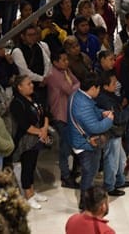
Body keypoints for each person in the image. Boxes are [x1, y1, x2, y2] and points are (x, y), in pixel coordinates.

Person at [67, 73, 114, 210]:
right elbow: (95, 127)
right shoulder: (83, 104)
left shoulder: (78, 95)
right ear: (93, 88)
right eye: (98, 89)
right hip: (85, 144)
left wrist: (101, 113)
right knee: (89, 174)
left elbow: (91, 112)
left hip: (78, 139)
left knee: (88, 173)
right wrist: (109, 119)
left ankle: (87, 199)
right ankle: (85, 203)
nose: (99, 92)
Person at [10, 75, 50, 210]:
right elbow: (24, 125)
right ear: (19, 87)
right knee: (27, 166)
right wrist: (40, 132)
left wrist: (44, 129)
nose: (31, 85)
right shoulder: (17, 103)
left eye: (31, 83)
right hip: (25, 140)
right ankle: (28, 195)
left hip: (37, 137)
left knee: (32, 165)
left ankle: (32, 191)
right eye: (28, 84)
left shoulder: (35, 97)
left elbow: (45, 114)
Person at [96, 72, 129, 196]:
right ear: (105, 86)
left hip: (116, 133)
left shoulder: (110, 96)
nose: (116, 85)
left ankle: (119, 181)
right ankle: (109, 186)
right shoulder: (104, 100)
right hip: (111, 134)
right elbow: (118, 118)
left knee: (121, 159)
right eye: (113, 83)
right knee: (112, 161)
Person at [46, 49, 80, 189]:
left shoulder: (65, 71)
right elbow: (70, 90)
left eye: (67, 59)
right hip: (60, 114)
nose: (67, 62)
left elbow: (77, 82)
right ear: (55, 62)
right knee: (65, 148)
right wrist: (76, 86)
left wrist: (75, 85)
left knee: (71, 145)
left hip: (69, 113)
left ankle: (71, 172)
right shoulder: (53, 74)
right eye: (64, 60)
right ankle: (65, 176)